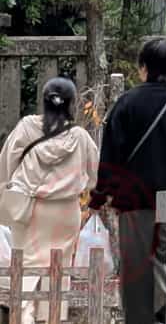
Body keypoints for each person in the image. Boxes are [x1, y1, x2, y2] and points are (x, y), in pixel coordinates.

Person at [89, 40, 166, 324]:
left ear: (143, 68)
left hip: (135, 204)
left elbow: (111, 157)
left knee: (137, 273)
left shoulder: (127, 104)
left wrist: (100, 196)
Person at [1, 77, 100, 323]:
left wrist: (8, 187)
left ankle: (23, 317)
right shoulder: (79, 137)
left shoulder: (26, 127)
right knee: (57, 267)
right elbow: (94, 176)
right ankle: (50, 318)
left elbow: (6, 165)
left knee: (24, 263)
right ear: (72, 104)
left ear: (44, 101)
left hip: (29, 209)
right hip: (65, 211)